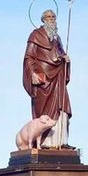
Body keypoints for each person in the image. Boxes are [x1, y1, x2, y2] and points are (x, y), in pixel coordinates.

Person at [23, 9, 72, 149]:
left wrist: (65, 59)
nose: (51, 19)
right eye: (48, 17)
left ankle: (61, 142)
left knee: (61, 108)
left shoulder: (57, 38)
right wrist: (33, 73)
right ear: (43, 19)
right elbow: (29, 57)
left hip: (58, 78)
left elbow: (61, 54)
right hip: (44, 80)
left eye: (53, 16)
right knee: (44, 111)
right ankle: (44, 142)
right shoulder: (35, 35)